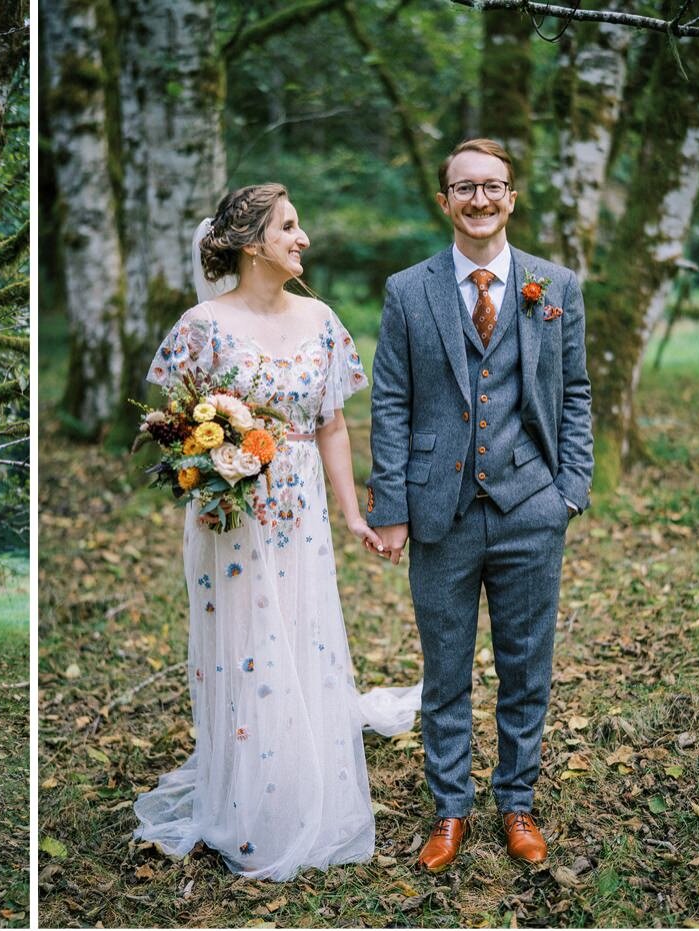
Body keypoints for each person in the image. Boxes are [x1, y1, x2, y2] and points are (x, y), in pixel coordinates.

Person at [134, 183, 421, 880]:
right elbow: (168, 427)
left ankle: (302, 782)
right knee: (246, 647)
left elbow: (331, 424)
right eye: (289, 227)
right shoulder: (202, 325)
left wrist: (356, 513)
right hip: (228, 515)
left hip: (302, 509)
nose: (304, 239)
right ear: (252, 242)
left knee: (300, 633)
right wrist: (204, 464)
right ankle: (248, 800)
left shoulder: (320, 319)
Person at [366, 138, 593, 871]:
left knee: (527, 664)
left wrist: (570, 490)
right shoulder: (409, 290)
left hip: (533, 502)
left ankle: (517, 801)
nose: (480, 200)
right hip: (442, 509)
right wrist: (391, 505)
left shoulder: (554, 285)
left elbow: (577, 392)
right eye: (464, 188)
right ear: (445, 201)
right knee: (446, 667)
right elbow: (392, 400)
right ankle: (450, 808)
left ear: (511, 197)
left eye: (492, 186)